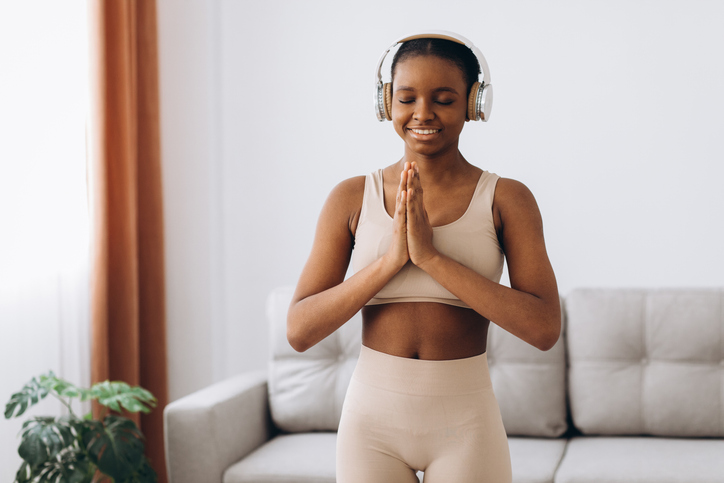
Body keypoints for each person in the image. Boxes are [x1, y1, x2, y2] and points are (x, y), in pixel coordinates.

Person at [287, 31, 560, 483]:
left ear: (475, 103)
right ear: (386, 102)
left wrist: (432, 259)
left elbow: (544, 328)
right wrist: (390, 261)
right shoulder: (352, 197)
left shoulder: (507, 199)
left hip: (466, 423)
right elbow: (300, 330)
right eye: (407, 98)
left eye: (444, 99)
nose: (423, 114)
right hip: (370, 424)